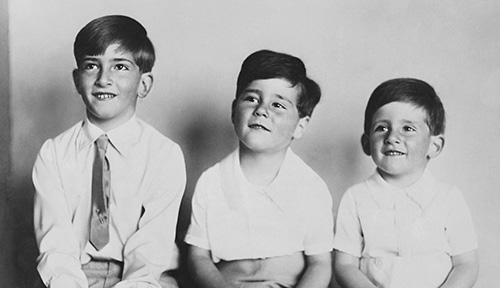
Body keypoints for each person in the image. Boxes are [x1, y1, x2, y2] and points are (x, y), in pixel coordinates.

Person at [32, 15, 186, 288]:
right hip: (72, 276)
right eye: (92, 66)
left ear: (144, 84)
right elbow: (56, 247)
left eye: (120, 67)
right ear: (77, 80)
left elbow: (150, 254)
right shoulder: (53, 154)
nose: (104, 79)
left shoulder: (164, 155)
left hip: (145, 279)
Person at [184, 50, 334, 288]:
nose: (261, 110)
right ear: (234, 111)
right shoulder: (212, 181)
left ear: (300, 125)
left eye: (277, 105)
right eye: (252, 99)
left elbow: (320, 263)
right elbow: (198, 256)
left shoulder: (310, 187)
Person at [333, 78, 479, 288]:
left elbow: (467, 264)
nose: (392, 137)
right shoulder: (356, 198)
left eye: (408, 129)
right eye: (382, 128)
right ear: (366, 143)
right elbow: (345, 265)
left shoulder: (448, 197)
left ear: (434, 146)